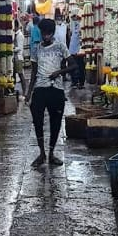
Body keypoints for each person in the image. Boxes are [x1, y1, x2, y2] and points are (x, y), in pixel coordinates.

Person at [26, 17, 75, 168]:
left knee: (56, 122)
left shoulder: (61, 46)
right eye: (43, 33)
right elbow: (33, 72)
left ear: (52, 33)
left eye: (48, 33)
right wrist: (28, 93)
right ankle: (42, 153)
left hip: (57, 89)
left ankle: (52, 153)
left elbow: (73, 66)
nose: (45, 36)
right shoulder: (36, 49)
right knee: (38, 121)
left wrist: (59, 72)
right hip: (40, 89)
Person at [68, 15, 85, 88]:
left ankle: (80, 82)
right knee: (73, 66)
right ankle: (74, 81)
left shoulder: (81, 24)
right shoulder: (72, 25)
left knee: (80, 67)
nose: (74, 19)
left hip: (79, 50)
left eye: (75, 17)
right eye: (73, 17)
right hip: (72, 50)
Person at [13, 18, 26, 95]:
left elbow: (19, 48)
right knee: (14, 74)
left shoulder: (19, 35)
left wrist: (11, 48)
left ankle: (24, 91)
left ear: (16, 26)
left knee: (20, 74)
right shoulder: (16, 34)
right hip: (16, 57)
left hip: (18, 57)